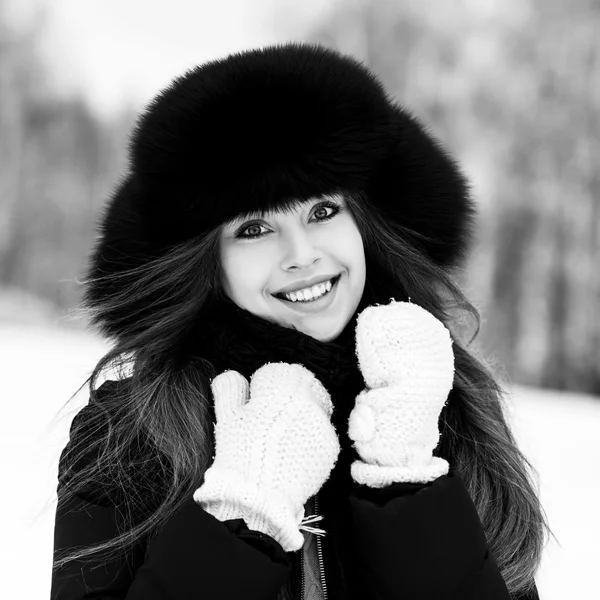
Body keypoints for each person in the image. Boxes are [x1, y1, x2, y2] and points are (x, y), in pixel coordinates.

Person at [50, 43, 548, 600]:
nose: (301, 253)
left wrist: (405, 482)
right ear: (209, 261)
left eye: (322, 211)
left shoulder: (448, 405)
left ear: (365, 224)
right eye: (254, 229)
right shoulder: (131, 429)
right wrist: (242, 513)